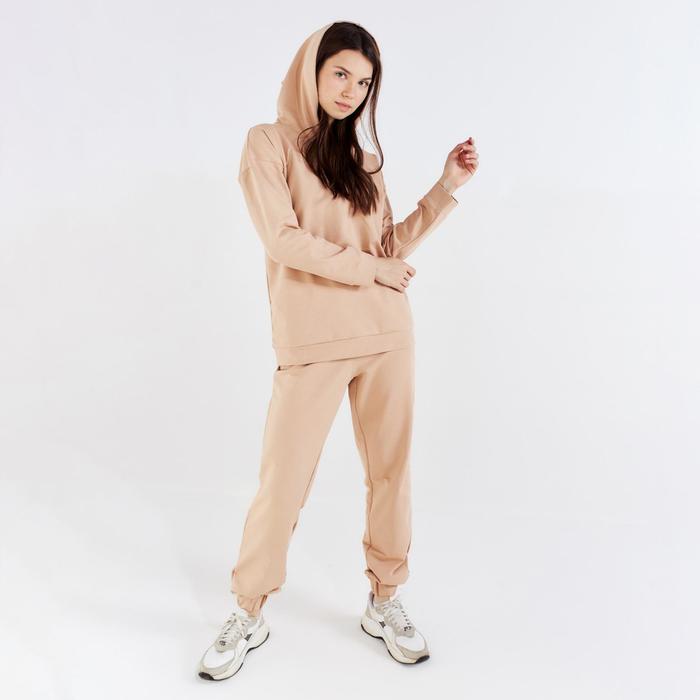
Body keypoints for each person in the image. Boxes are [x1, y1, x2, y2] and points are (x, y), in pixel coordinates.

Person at [198, 20, 479, 680]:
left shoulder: (363, 162)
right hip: (313, 342)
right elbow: (283, 239)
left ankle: (385, 600)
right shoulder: (267, 144)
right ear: (312, 71)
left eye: (365, 82)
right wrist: (372, 269)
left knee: (391, 473)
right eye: (341, 74)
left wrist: (444, 189)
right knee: (284, 480)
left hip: (386, 336)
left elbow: (386, 250)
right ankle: (248, 609)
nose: (351, 90)